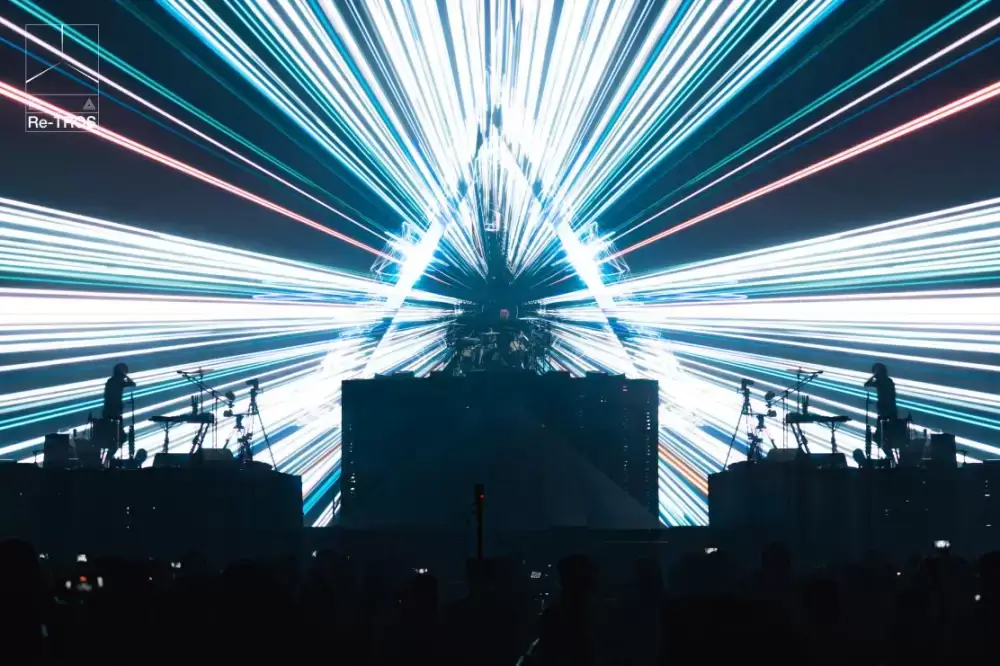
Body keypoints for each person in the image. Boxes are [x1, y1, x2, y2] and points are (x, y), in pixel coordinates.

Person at [865, 363, 901, 461]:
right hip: (884, 413)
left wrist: (874, 376)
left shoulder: (887, 382)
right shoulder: (882, 382)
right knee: (880, 437)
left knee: (885, 436)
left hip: (889, 413)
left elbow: (868, 384)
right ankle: (890, 455)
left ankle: (890, 456)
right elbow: (866, 384)